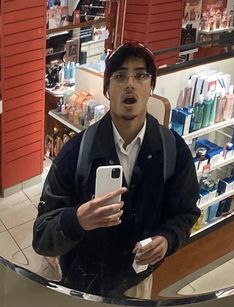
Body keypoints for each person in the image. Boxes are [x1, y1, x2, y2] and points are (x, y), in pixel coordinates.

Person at [33, 42, 200, 298]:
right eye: (120, 75)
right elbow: (42, 236)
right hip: (81, 286)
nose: (130, 83)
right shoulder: (76, 153)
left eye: (140, 75)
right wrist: (76, 220)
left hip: (136, 284)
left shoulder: (173, 151)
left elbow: (186, 212)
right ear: (108, 89)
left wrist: (167, 238)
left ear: (151, 86)